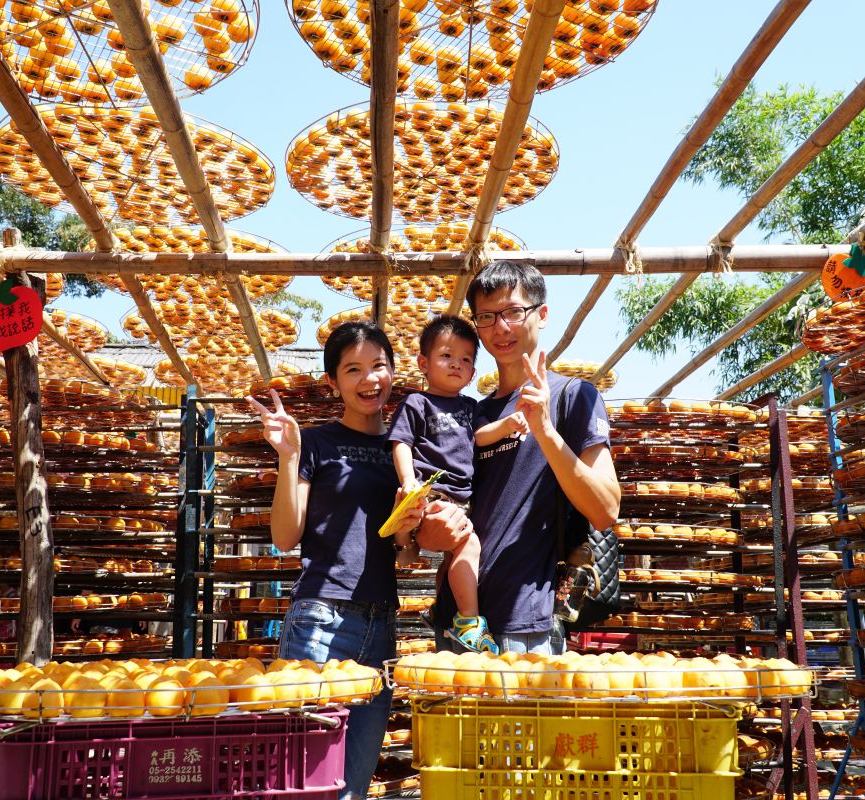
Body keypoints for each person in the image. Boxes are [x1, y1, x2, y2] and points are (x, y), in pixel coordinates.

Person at [247, 320, 421, 800]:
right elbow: (285, 536)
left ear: (393, 371)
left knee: (352, 785)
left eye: (379, 366)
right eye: (353, 369)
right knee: (304, 779)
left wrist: (407, 532)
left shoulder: (403, 454)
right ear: (333, 381)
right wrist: (288, 457)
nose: (369, 379)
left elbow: (407, 556)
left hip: (382, 623)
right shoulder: (315, 444)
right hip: (320, 619)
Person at [418, 260, 621, 655]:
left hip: (528, 626)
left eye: (513, 311)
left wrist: (544, 428)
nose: (501, 327)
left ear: (541, 315)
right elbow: (437, 526)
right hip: (458, 624)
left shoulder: (573, 398)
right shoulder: (472, 415)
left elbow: (605, 509)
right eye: (487, 316)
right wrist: (427, 530)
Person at [387, 315, 528, 654]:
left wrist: (507, 424)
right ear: (423, 363)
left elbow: (480, 437)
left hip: (460, 500)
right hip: (430, 491)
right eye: (447, 356)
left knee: (454, 558)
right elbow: (401, 442)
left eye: (465, 359)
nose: (456, 364)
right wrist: (408, 482)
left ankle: (442, 608)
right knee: (469, 544)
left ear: (473, 373)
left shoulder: (470, 407)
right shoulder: (417, 403)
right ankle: (469, 622)